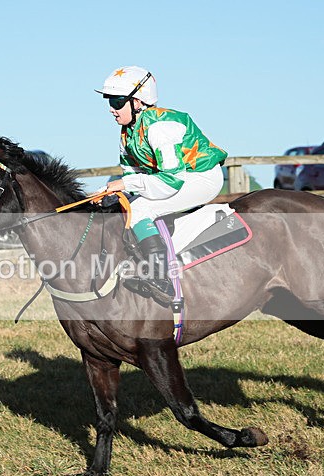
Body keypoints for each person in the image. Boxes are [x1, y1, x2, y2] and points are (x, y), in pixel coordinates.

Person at [95, 66, 227, 306]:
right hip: (175, 178)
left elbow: (170, 181)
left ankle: (161, 279)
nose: (111, 109)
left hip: (201, 177)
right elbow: (133, 173)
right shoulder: (127, 132)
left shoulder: (160, 127)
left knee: (141, 210)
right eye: (109, 102)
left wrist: (124, 184)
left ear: (137, 102)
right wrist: (116, 192)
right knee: (125, 207)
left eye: (117, 101)